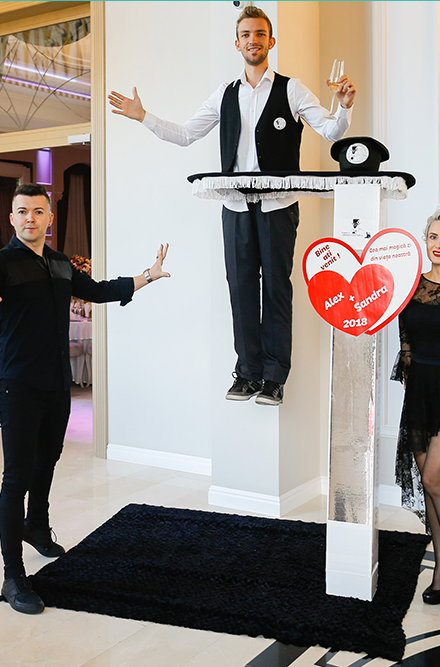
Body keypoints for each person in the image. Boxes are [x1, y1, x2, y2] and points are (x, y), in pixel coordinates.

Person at [108, 5, 356, 406]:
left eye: (259, 34)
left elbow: (331, 131)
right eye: (246, 34)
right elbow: (186, 134)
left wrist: (343, 106)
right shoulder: (224, 94)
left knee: (276, 289)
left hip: (278, 206)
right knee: (240, 289)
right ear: (236, 43)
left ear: (271, 41)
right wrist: (143, 116)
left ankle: (274, 378)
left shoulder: (292, 89)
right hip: (236, 206)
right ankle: (247, 373)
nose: (252, 40)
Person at [0, 183, 170, 615]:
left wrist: (147, 276)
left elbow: (98, 291)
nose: (30, 218)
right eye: (23, 211)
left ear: (49, 218)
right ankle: (13, 576)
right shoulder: (3, 264)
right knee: (16, 477)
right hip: (17, 384)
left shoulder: (60, 263)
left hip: (57, 383)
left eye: (38, 211)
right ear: (12, 218)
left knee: (48, 460)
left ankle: (37, 526)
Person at [392, 208, 440, 604]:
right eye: (434, 236)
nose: (438, 245)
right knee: (430, 483)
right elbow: (405, 336)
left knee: (434, 481)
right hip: (420, 390)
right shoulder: (412, 284)